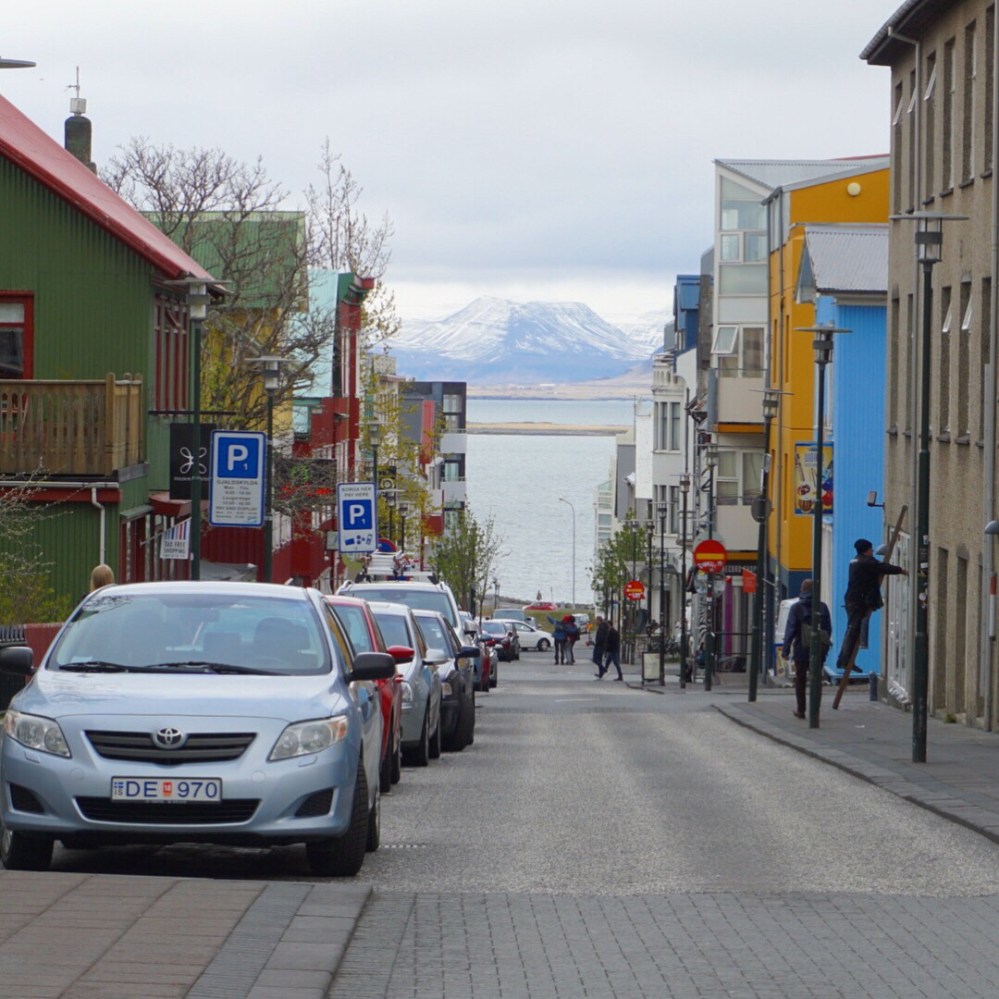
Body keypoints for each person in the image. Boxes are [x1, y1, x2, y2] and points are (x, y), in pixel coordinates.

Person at [835, 538, 907, 675]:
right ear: (866, 550)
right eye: (871, 549)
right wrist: (901, 570)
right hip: (857, 601)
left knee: (853, 630)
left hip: (854, 600)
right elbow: (884, 568)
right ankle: (844, 660)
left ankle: (845, 659)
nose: (873, 551)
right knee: (853, 630)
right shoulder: (866, 562)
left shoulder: (856, 561)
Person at [782, 578, 832, 719]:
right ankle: (815, 710)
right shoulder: (822, 607)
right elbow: (828, 629)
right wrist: (823, 646)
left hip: (801, 648)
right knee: (816, 678)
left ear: (802, 590)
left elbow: (791, 630)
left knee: (800, 679)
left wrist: (785, 650)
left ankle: (801, 710)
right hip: (818, 649)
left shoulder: (796, 608)